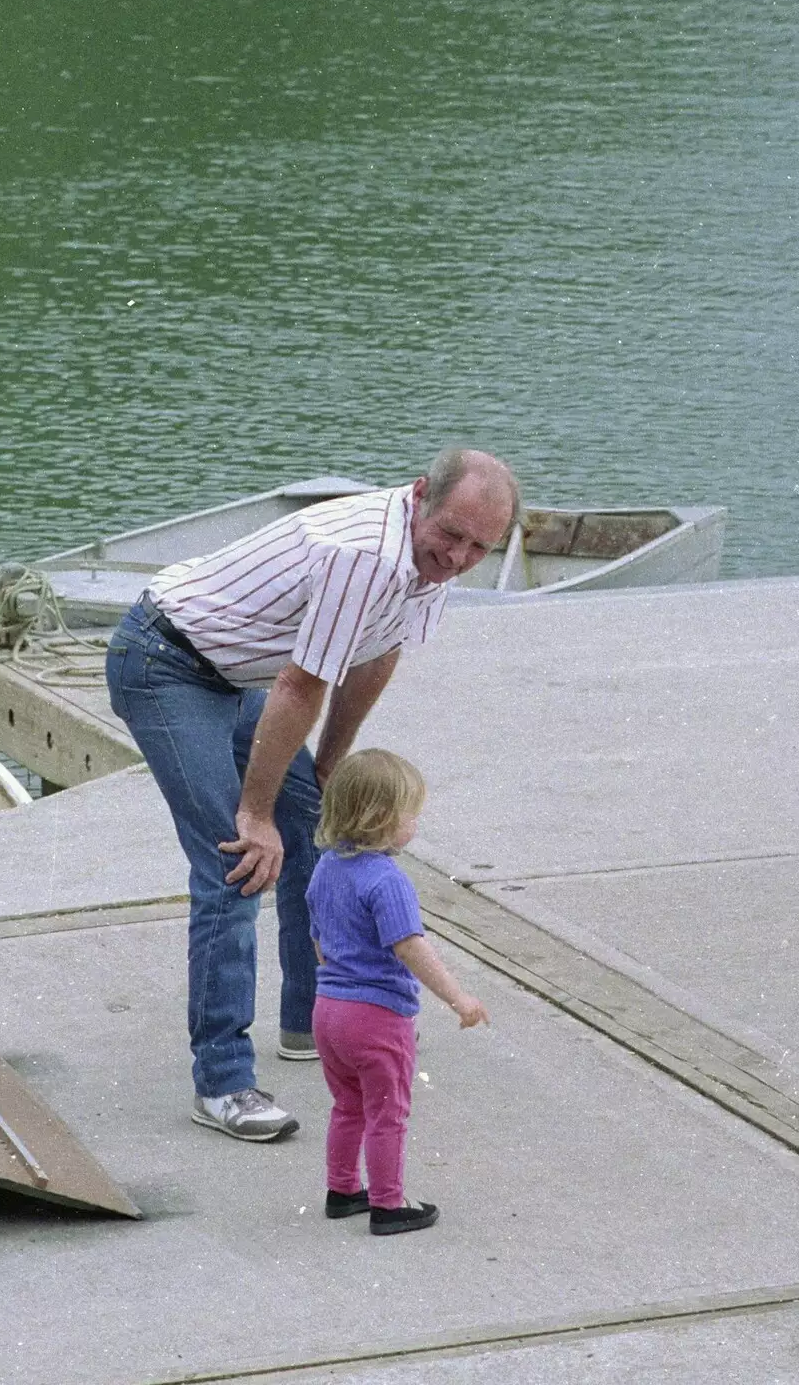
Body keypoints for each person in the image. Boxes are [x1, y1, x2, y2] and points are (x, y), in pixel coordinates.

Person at [105, 449, 517, 1142]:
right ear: (420, 495)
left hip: (233, 676)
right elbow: (300, 686)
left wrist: (327, 766)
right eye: (450, 535)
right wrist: (255, 813)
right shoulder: (368, 554)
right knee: (237, 862)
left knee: (319, 826)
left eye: (480, 547)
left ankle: (309, 1019)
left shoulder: (430, 562)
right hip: (165, 662)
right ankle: (223, 1082)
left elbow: (377, 653)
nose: (458, 557)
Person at [306, 748, 490, 1235]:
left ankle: (343, 1189)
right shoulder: (388, 881)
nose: (416, 825)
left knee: (347, 1106)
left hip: (328, 1010)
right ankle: (389, 1204)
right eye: (413, 815)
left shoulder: (326, 868)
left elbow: (319, 941)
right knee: (388, 1113)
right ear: (382, 818)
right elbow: (411, 947)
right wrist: (459, 998)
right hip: (377, 1015)